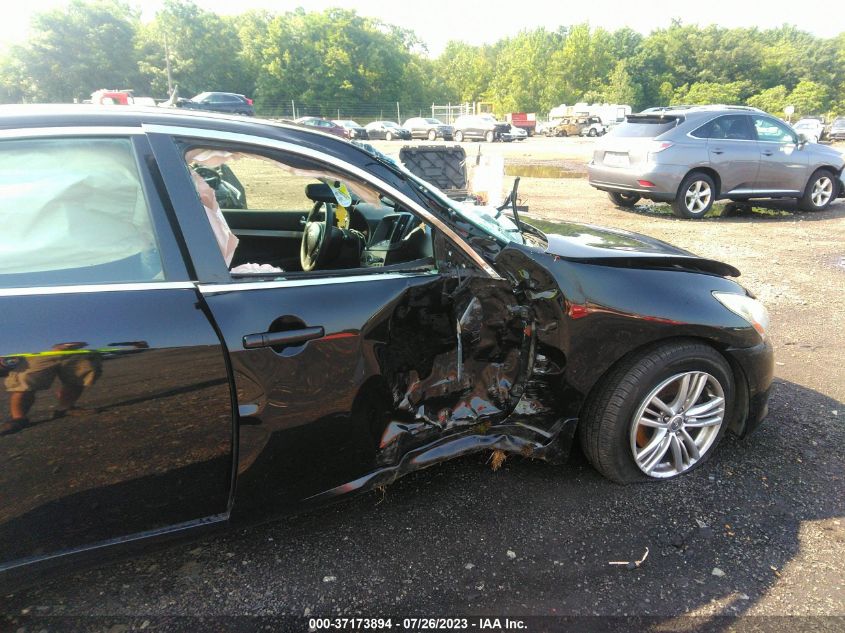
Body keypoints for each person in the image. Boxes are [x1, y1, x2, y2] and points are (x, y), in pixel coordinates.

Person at [1, 342, 102, 435]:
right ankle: (18, 419)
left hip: (79, 346)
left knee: (78, 377)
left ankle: (65, 408)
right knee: (24, 381)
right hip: (37, 348)